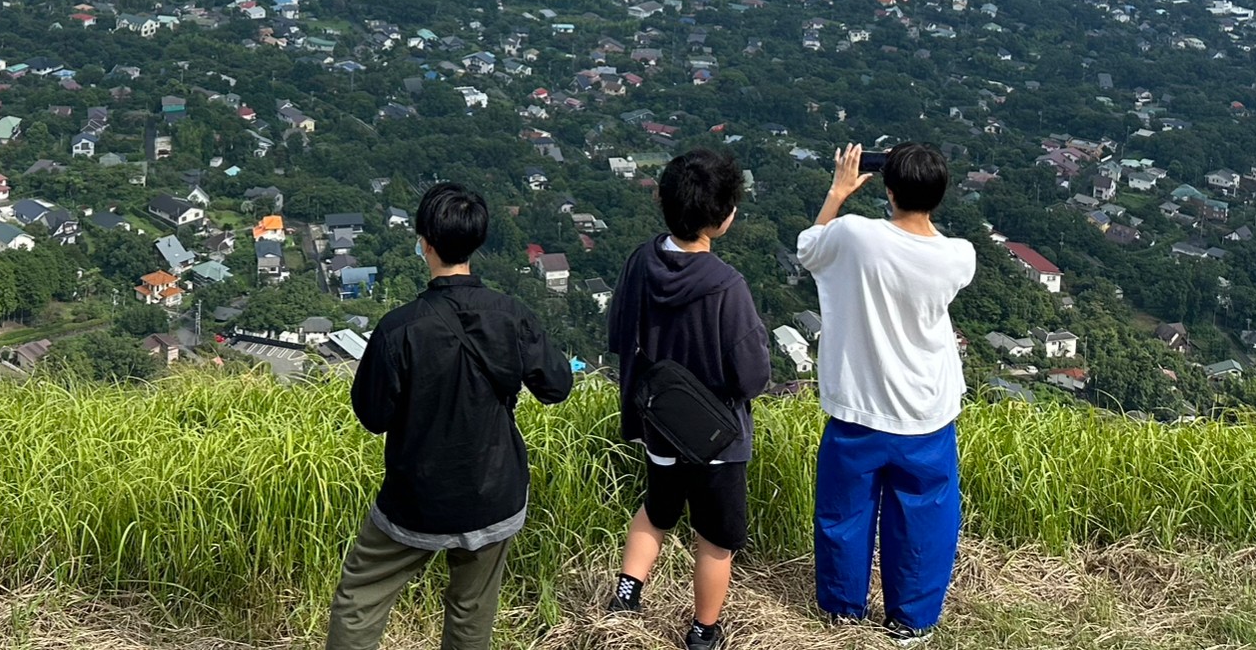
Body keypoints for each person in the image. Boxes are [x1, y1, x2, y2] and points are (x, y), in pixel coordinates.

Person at [327, 182, 575, 650]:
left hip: (417, 499)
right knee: (472, 607)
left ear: (425, 242)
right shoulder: (511, 315)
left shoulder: (399, 329)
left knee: (360, 596)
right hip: (493, 493)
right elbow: (557, 386)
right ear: (477, 242)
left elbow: (373, 415)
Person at [798, 143, 978, 642]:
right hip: (927, 407)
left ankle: (842, 611)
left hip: (859, 404)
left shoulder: (855, 235)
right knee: (924, 517)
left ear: (889, 189)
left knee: (844, 513)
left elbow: (809, 247)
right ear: (939, 195)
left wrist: (838, 191)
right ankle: (911, 621)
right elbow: (925, 245)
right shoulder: (959, 256)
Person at [605, 150, 773, 650]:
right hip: (717, 436)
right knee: (715, 538)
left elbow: (618, 333)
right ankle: (703, 632)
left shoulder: (641, 261)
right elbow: (752, 377)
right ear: (725, 219)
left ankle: (626, 595)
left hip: (660, 422)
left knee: (657, 509)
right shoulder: (727, 287)